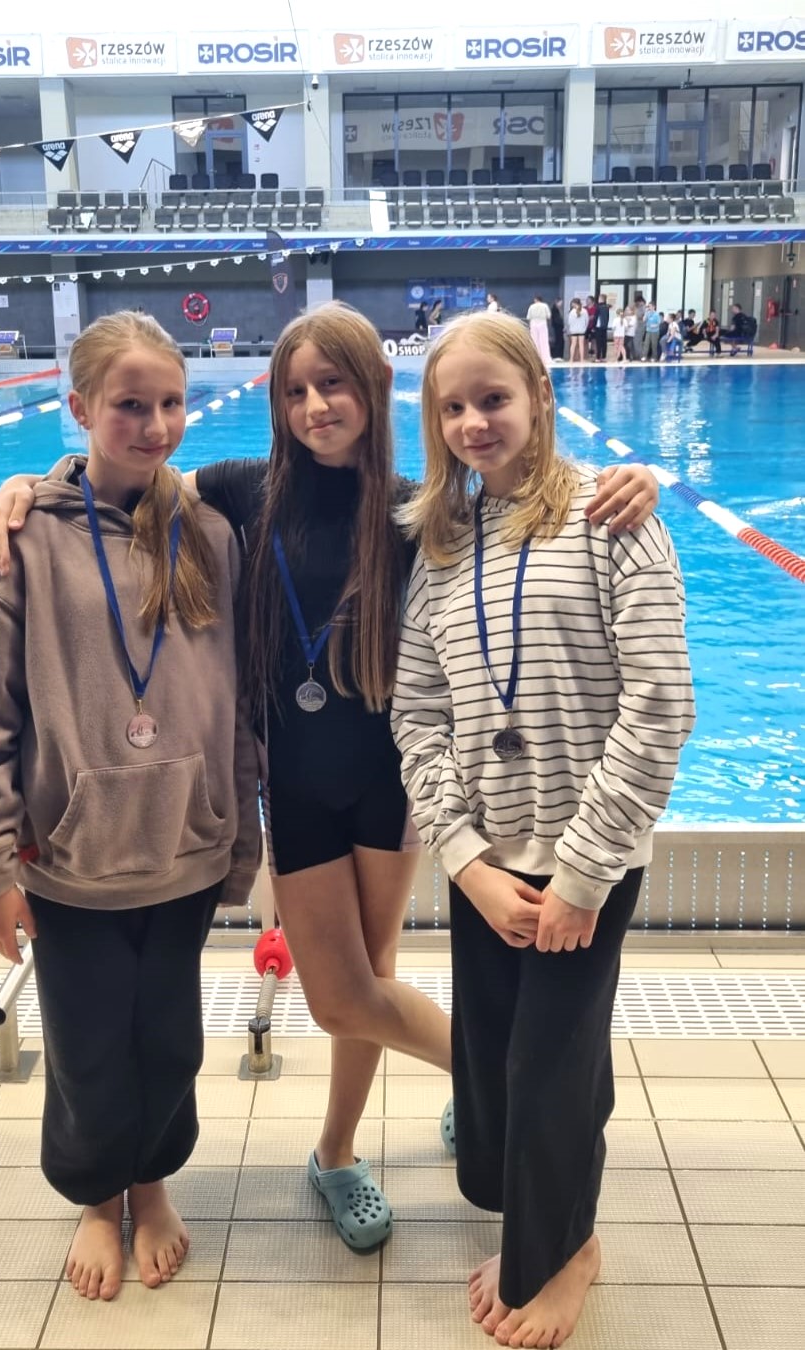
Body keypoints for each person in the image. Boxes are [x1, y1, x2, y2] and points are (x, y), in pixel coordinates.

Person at [0, 302, 660, 1256]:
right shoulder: (240, 490)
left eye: (333, 384)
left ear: (373, 389)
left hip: (391, 782)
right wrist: (27, 483)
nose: (314, 406)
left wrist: (631, 478)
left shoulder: (421, 512)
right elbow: (122, 482)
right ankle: (489, 1090)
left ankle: (338, 1152)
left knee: (371, 980)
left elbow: (521, 500)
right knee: (339, 997)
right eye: (295, 390)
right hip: (294, 784)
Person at [0, 311, 262, 1303]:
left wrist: (240, 836)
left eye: (171, 403)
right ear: (80, 408)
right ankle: (96, 1197)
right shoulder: (25, 540)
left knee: (170, 1039)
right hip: (69, 860)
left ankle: (151, 1184)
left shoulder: (210, 533)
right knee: (86, 1048)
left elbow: (236, 701)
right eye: (130, 405)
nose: (156, 425)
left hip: (184, 848)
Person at [392, 311, 694, 1348]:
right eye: (454, 407)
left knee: (551, 1067)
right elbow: (418, 712)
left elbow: (661, 705)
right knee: (495, 1059)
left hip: (585, 862)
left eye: (494, 399)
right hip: (486, 862)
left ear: (541, 399)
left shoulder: (615, 520)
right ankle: (538, 1215)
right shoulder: (440, 546)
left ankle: (562, 1254)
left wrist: (581, 875)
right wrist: (465, 860)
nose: (475, 422)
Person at [526, 295, 551, 368]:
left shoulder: (531, 306)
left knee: (534, 341)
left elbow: (528, 317)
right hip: (542, 322)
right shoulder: (545, 306)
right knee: (544, 341)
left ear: (535, 300)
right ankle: (546, 359)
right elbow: (548, 316)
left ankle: (535, 358)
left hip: (533, 323)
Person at [566, 298, 587, 363]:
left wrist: (571, 328)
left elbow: (569, 322)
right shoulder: (584, 311)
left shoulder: (572, 312)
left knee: (573, 344)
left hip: (573, 330)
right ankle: (582, 359)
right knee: (581, 345)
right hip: (581, 330)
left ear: (574, 303)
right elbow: (587, 321)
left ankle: (571, 359)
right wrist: (584, 327)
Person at [593, 294, 610, 362]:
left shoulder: (598, 307)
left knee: (598, 343)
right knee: (604, 342)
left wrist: (593, 326)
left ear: (601, 299)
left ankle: (598, 357)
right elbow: (607, 318)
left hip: (598, 327)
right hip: (604, 327)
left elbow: (596, 317)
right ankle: (604, 357)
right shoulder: (607, 307)